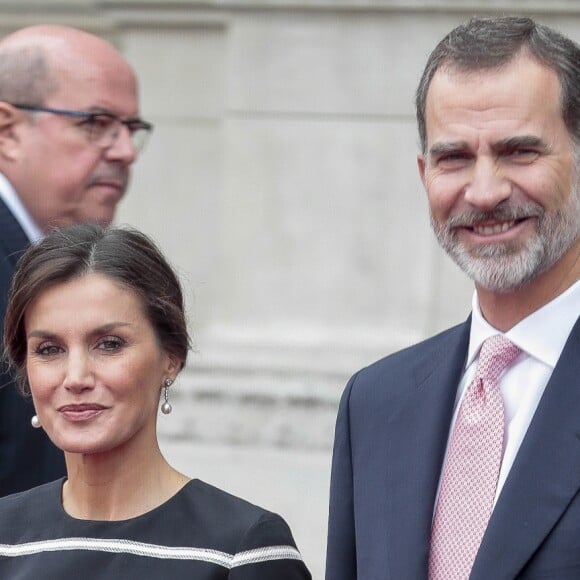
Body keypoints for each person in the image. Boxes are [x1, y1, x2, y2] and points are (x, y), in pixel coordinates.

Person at [326, 16, 580, 580]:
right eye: (454, 158)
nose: (484, 191)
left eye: (520, 152)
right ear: (424, 175)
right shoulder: (375, 403)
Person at [0, 223, 311, 580]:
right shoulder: (6, 538)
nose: (76, 378)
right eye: (50, 349)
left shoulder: (243, 552)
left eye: (110, 344)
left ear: (171, 357)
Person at [0, 24, 151, 496]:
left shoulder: (43, 258)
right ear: (7, 132)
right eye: (95, 124)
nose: (125, 152)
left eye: (131, 129)